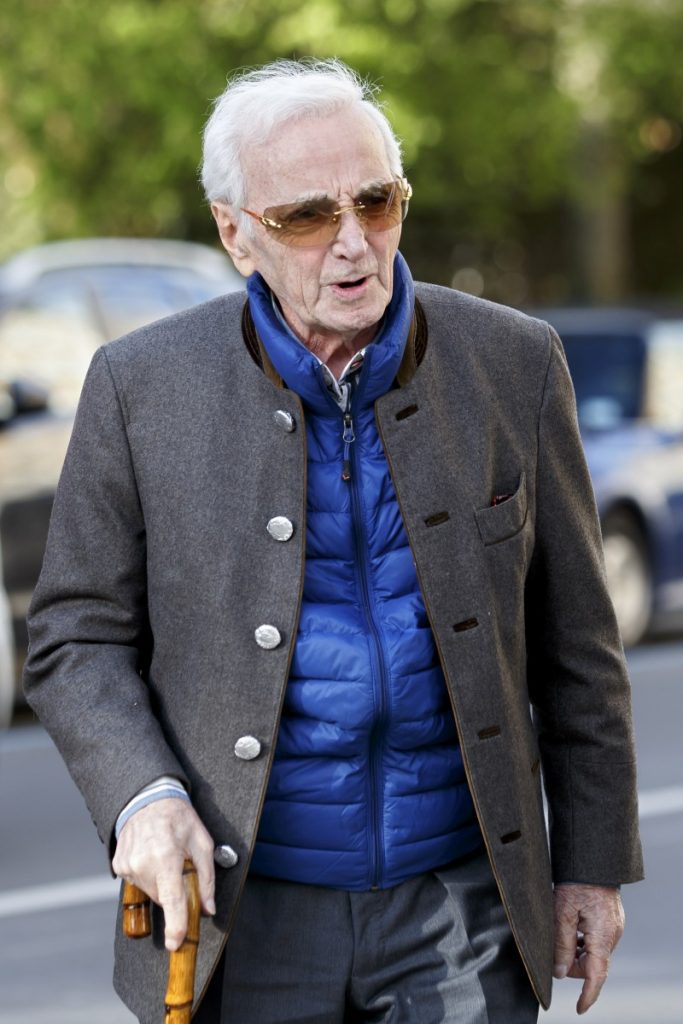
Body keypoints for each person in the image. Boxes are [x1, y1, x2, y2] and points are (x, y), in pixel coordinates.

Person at [24, 58, 643, 1024]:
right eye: (307, 216)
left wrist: (592, 868)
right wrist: (141, 796)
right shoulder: (139, 387)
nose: (354, 242)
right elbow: (75, 635)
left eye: (377, 201)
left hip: (463, 907)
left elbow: (579, 647)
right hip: (246, 910)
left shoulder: (514, 362)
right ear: (235, 233)